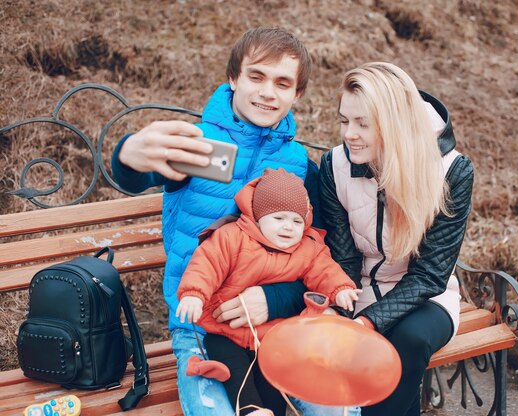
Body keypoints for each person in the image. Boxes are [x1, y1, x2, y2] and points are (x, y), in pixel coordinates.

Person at [112, 28, 357, 416]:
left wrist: (275, 300)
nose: (267, 92)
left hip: (280, 323)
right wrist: (128, 154)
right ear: (233, 79)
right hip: (202, 325)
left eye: (282, 83)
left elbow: (315, 254)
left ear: (297, 95)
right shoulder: (199, 145)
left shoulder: (300, 168)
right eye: (256, 77)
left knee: (335, 407)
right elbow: (138, 174)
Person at [318, 62, 474, 415]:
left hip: (426, 297)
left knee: (406, 340)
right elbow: (344, 259)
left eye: (363, 123)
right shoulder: (334, 167)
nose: (348, 134)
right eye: (344, 121)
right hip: (358, 290)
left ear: (394, 123)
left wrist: (368, 323)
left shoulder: (451, 171)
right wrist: (340, 312)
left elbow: (431, 274)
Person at [176, 168, 360, 415]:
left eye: (297, 221)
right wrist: (193, 294)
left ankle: (269, 409)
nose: (288, 227)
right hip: (226, 331)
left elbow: (325, 270)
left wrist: (340, 289)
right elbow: (206, 265)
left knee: (271, 378)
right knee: (230, 363)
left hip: (273, 334)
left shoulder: (307, 248)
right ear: (258, 216)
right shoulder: (231, 238)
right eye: (279, 218)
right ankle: (250, 409)